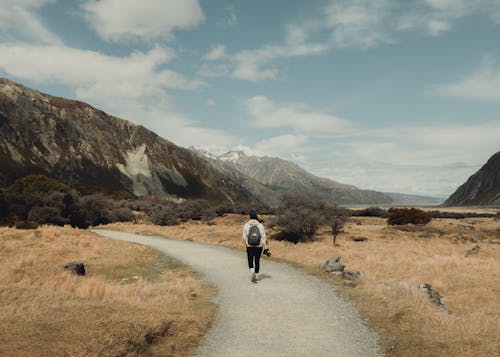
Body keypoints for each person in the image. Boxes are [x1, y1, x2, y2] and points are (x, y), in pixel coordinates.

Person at [242, 210, 267, 283]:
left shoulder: (246, 225)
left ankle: (252, 271)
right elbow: (263, 237)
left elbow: (244, 237)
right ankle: (256, 276)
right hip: (259, 246)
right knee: (257, 261)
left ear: (250, 216)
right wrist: (265, 247)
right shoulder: (260, 225)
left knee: (250, 260)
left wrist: (246, 242)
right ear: (256, 216)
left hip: (249, 246)